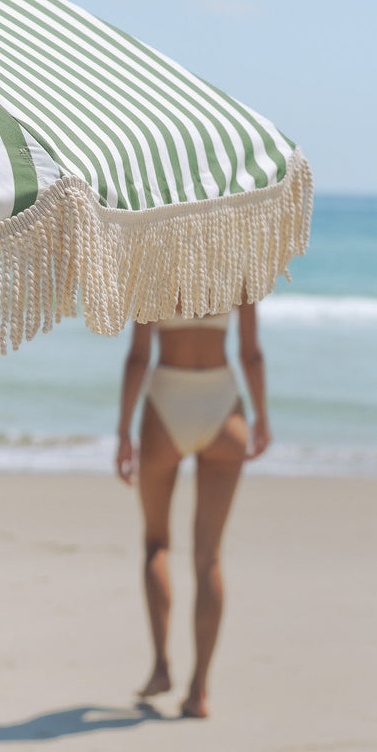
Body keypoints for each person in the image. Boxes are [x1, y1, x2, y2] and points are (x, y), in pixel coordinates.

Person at [115, 296, 270, 718]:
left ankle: (162, 667)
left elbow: (138, 358)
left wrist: (124, 432)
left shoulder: (155, 263)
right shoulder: (239, 269)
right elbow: (251, 354)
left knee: (156, 544)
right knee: (209, 558)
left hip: (167, 401)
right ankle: (199, 691)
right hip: (223, 405)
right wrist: (262, 418)